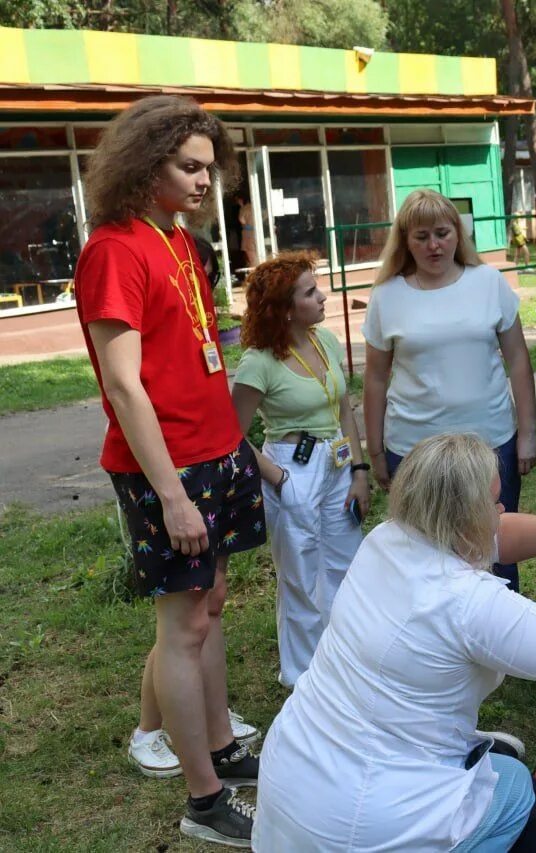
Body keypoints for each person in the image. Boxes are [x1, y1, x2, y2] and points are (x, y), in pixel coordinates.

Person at [254, 433, 536, 852]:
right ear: (467, 516)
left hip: (295, 787)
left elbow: (490, 535)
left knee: (508, 775)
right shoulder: (467, 603)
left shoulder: (386, 540)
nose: (501, 513)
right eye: (494, 503)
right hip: (380, 825)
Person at [74, 94, 264, 846]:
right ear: (144, 163)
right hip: (170, 468)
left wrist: (238, 445)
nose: (202, 182)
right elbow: (123, 386)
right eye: (189, 167)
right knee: (182, 624)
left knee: (210, 602)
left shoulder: (179, 239)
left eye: (209, 169)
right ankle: (205, 799)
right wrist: (172, 495)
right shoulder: (113, 249)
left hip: (216, 450)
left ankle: (219, 746)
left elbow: (195, 351)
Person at [363, 189, 536, 590]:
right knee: (425, 556)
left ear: (458, 234)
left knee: (494, 546)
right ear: (405, 241)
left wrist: (527, 433)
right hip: (414, 449)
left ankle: (500, 643)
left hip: (491, 443)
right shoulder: (387, 296)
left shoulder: (489, 282)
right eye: (421, 236)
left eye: (442, 233)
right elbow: (374, 378)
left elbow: (518, 360)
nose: (434, 245)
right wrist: (375, 452)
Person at [231, 252, 369, 688]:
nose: (323, 296)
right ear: (285, 308)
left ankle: (344, 661)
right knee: (301, 577)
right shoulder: (259, 362)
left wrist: (360, 470)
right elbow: (231, 435)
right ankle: (303, 677)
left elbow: (344, 407)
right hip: (291, 469)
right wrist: (278, 479)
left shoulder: (325, 341)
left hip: (336, 465)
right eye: (311, 292)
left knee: (345, 567)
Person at [237, 194, 258, 268]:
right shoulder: (256, 206)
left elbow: (242, 220)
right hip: (257, 233)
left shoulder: (244, 209)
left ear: (241, 200)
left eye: (237, 200)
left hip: (248, 234)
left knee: (251, 257)